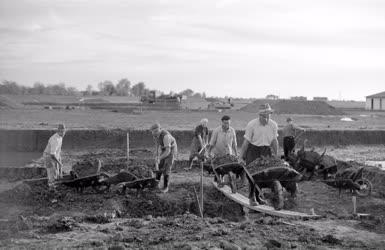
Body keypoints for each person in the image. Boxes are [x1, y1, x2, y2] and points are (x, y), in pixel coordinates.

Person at [151, 123, 178, 193]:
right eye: (153, 131)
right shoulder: (155, 135)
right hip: (164, 149)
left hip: (171, 149)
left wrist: (159, 158)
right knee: (160, 166)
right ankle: (156, 184)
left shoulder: (166, 136)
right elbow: (157, 145)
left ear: (160, 129)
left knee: (166, 168)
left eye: (157, 131)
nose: (155, 133)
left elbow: (168, 151)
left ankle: (165, 187)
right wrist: (156, 155)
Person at [43, 123, 66, 189]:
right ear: (58, 131)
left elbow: (58, 151)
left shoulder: (60, 137)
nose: (63, 133)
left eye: (64, 131)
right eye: (61, 131)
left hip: (53, 155)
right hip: (48, 156)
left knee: (57, 171)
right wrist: (59, 163)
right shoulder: (55, 140)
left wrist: (59, 159)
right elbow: (52, 154)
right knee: (52, 172)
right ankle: (51, 187)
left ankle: (56, 182)